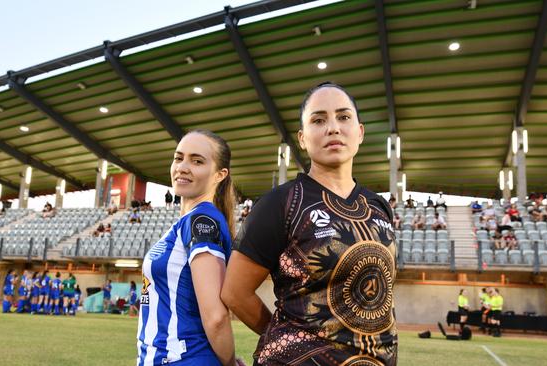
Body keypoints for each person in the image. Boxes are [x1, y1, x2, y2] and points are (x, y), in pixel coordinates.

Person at [222, 82, 398, 365]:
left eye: (343, 117)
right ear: (302, 139)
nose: (333, 128)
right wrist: (289, 338)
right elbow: (234, 292)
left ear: (360, 132)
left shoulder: (377, 206)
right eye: (319, 120)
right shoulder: (279, 204)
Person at [137, 129, 240, 366]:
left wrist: (230, 363)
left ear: (219, 174)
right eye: (178, 157)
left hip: (183, 359)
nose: (183, 167)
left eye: (197, 161)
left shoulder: (202, 221)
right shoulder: (186, 221)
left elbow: (216, 317)